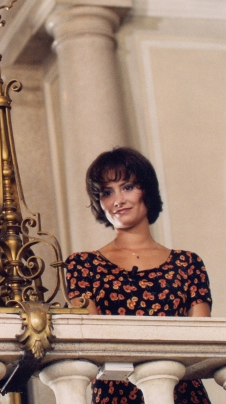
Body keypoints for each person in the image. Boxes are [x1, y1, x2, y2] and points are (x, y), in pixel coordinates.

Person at [65, 147, 212, 404]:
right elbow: (90, 343)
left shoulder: (188, 264)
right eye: (107, 192)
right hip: (116, 395)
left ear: (147, 190)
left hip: (182, 394)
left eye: (128, 187)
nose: (118, 200)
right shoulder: (82, 265)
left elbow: (200, 345)